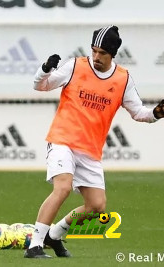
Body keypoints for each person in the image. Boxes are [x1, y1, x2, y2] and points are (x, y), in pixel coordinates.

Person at [24, 25, 164, 259]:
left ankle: (55, 235)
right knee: (63, 188)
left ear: (113, 55)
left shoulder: (123, 79)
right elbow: (41, 86)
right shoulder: (75, 66)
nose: (96, 57)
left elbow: (139, 112)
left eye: (102, 53)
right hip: (62, 140)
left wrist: (157, 113)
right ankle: (34, 245)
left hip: (90, 150)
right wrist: (44, 69)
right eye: (94, 51)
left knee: (96, 206)